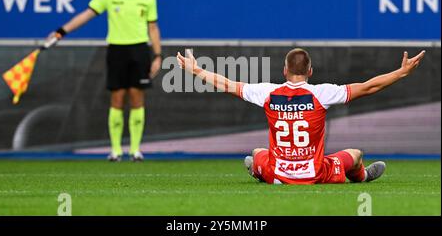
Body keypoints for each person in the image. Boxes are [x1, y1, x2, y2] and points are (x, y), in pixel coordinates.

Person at [176, 48, 425, 184]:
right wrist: (400, 73)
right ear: (310, 71)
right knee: (355, 154)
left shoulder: (267, 92)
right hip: (315, 174)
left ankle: (259, 173)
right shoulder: (322, 94)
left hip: (278, 173)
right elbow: (369, 86)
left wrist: (196, 70)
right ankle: (362, 178)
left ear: (285, 70)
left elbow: (228, 84)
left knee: (255, 154)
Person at [47, 0, 162, 162]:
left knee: (137, 98)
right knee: (117, 98)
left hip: (139, 51)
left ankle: (135, 150)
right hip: (116, 50)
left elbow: (152, 27)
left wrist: (158, 55)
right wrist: (60, 32)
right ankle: (116, 151)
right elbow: (86, 15)